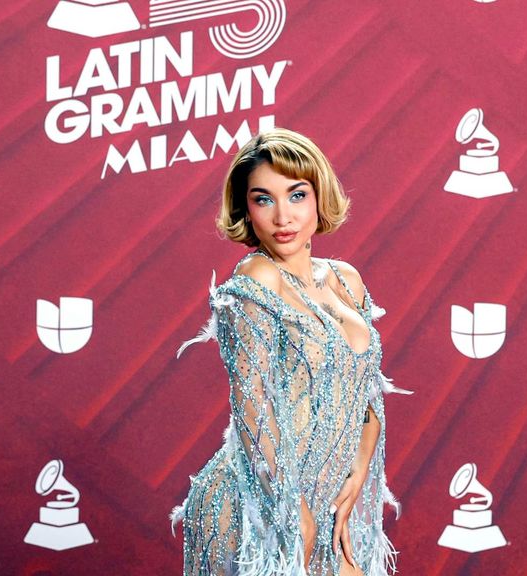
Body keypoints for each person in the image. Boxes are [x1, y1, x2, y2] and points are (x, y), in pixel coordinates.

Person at [169, 128, 412, 576]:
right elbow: (252, 403)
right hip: (261, 507)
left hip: (332, 501)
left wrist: (359, 472)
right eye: (264, 200)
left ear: (319, 196)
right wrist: (289, 510)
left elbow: (366, 389)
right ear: (246, 209)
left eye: (296, 195)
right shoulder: (255, 279)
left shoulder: (345, 279)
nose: (283, 216)